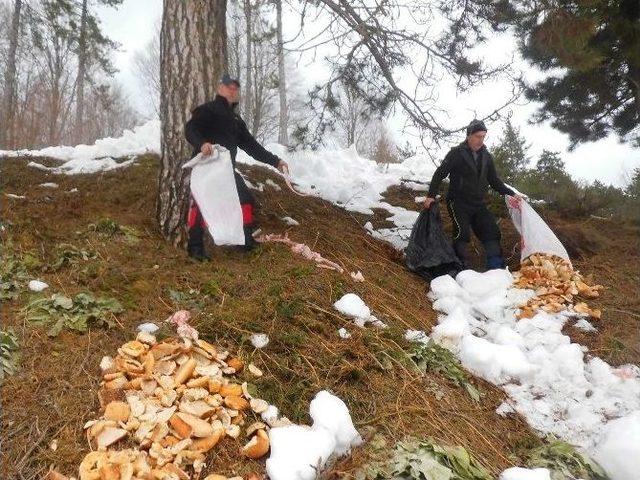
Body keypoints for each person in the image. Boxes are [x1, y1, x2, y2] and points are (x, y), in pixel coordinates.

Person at [184, 73, 288, 261]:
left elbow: (252, 147)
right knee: (200, 204)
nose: (232, 90)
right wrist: (201, 144)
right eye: (228, 86)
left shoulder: (236, 121)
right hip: (206, 167)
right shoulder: (207, 110)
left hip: (226, 171)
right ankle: (195, 248)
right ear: (220, 88)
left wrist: (276, 161)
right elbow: (190, 129)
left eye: (235, 88)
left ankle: (245, 240)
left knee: (245, 199)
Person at [423, 119, 519, 270]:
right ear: (469, 135)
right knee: (462, 232)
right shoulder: (456, 153)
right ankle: (460, 268)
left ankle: (496, 268)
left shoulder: (486, 156)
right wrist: (431, 195)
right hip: (458, 202)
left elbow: (494, 181)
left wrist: (511, 194)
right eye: (478, 136)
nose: (481, 140)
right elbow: (439, 174)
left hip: (478, 204)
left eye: (483, 137)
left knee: (491, 231)